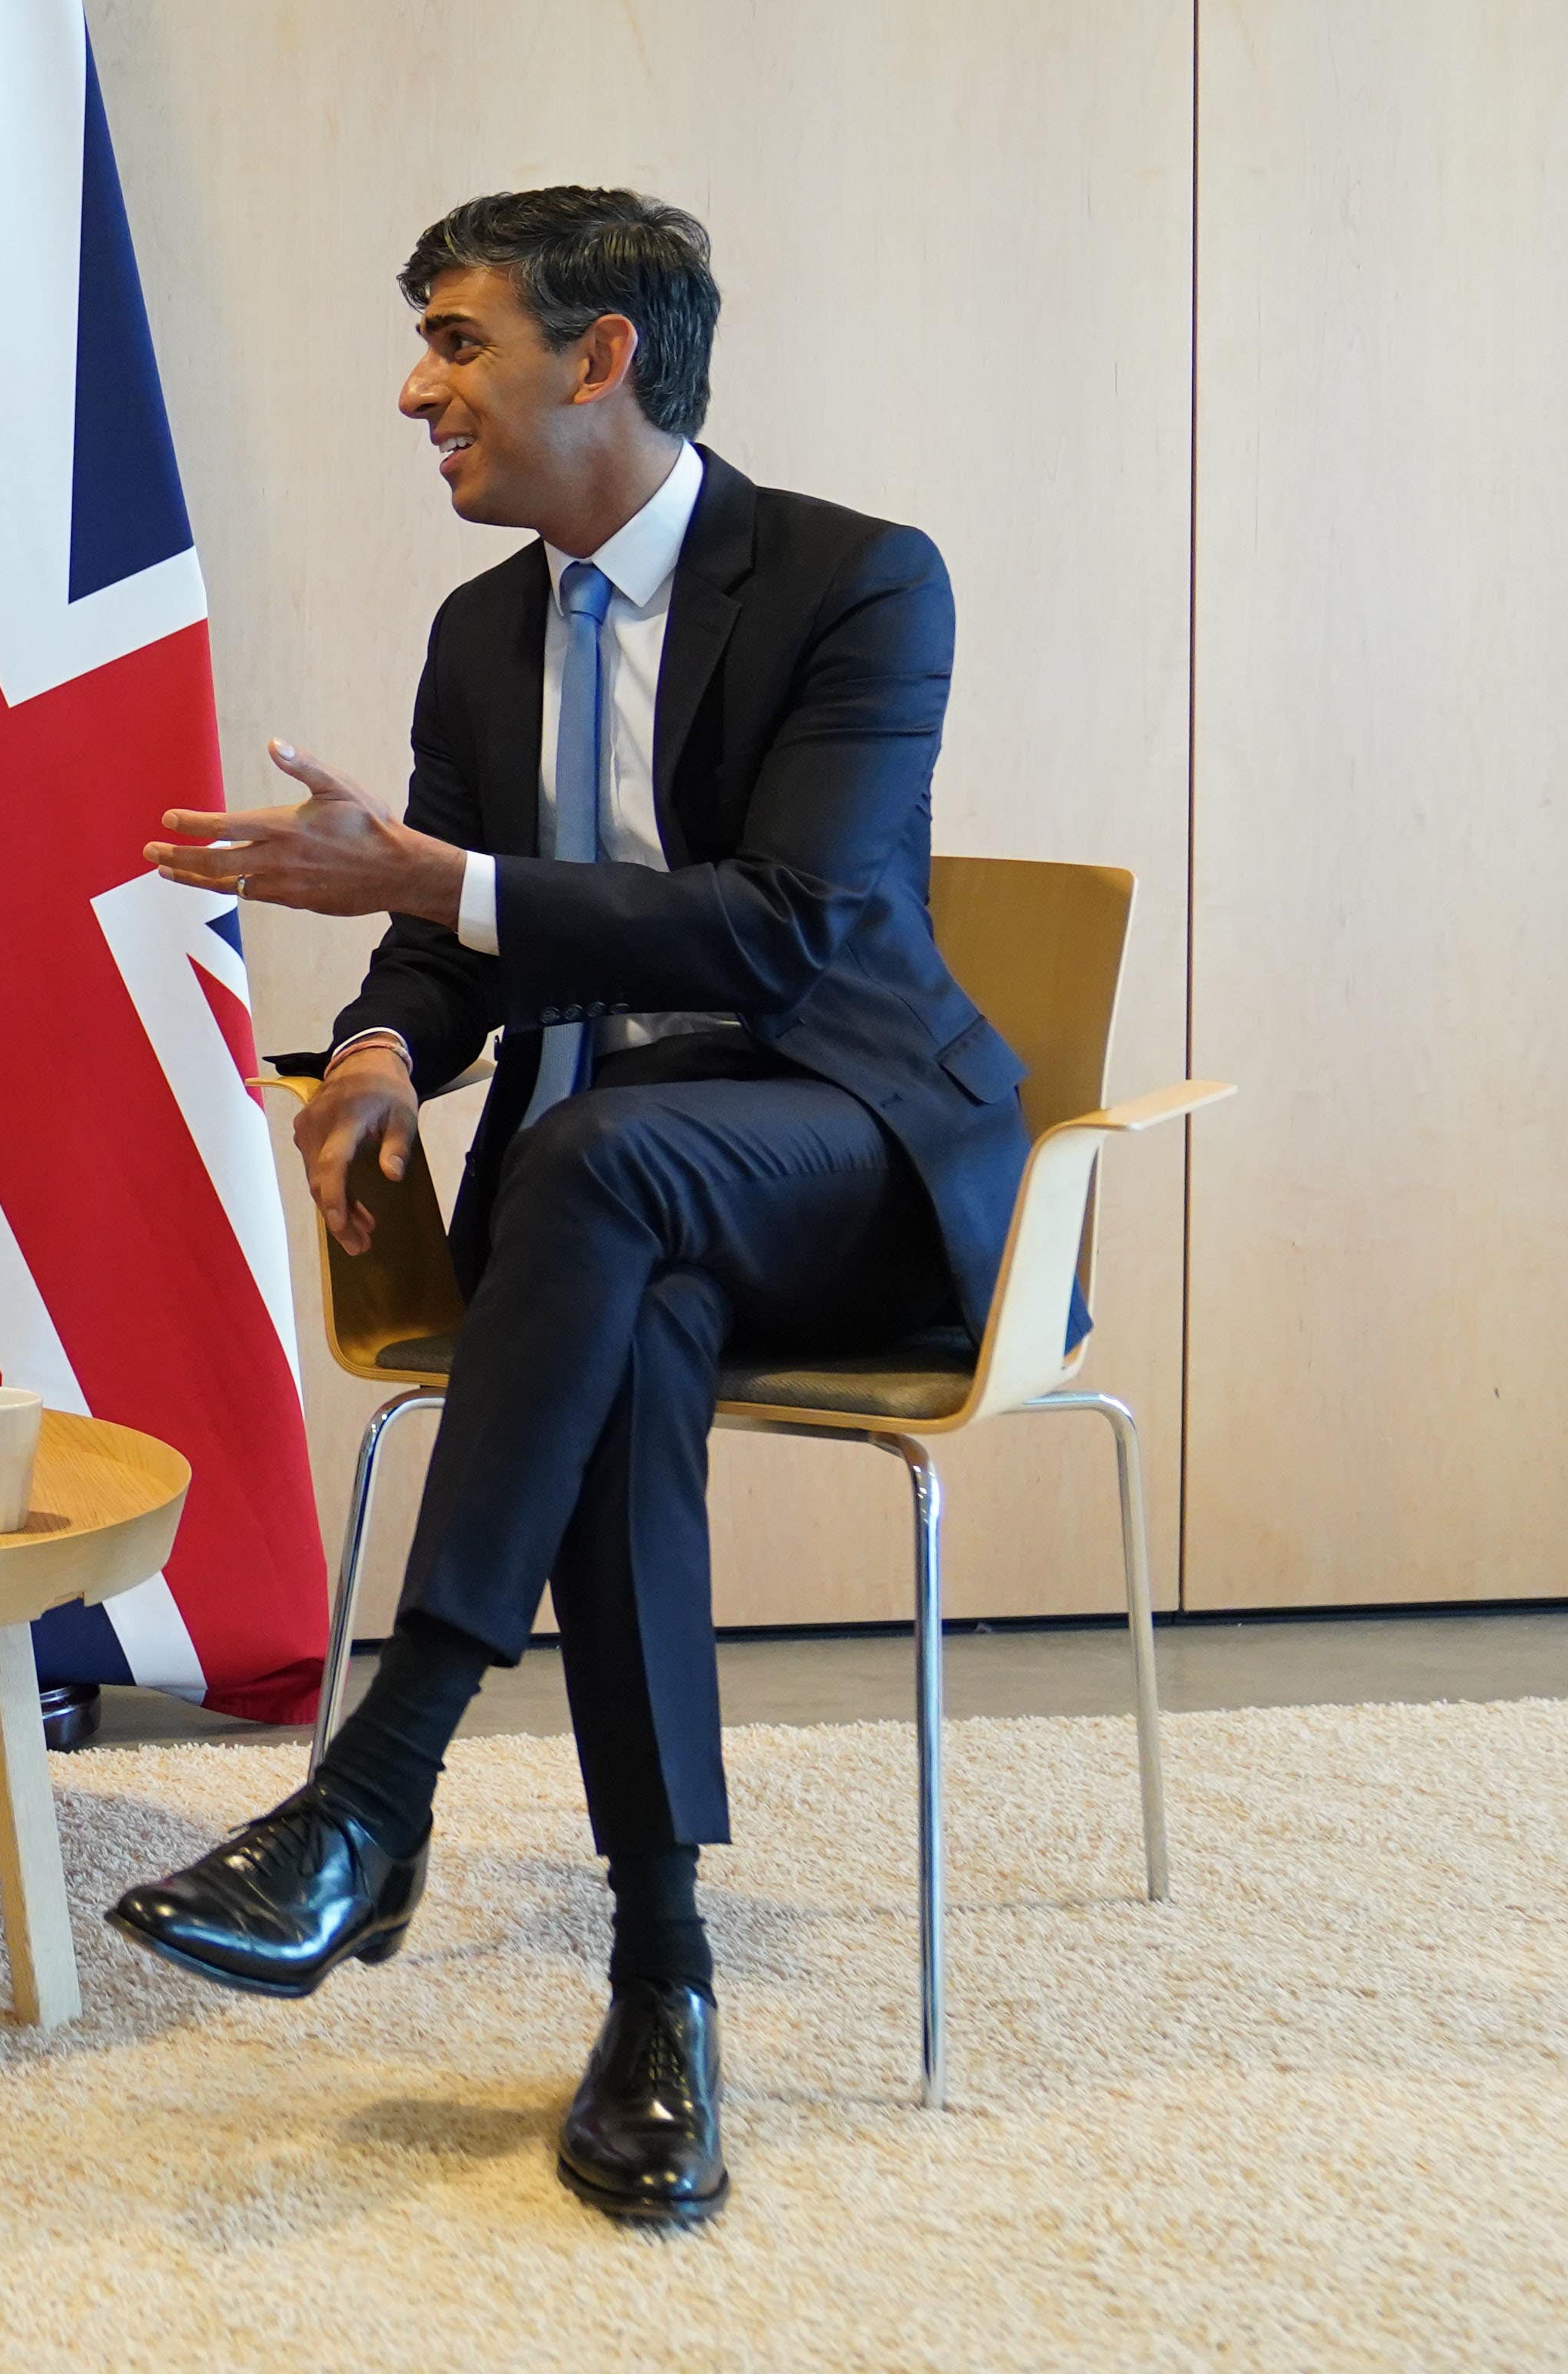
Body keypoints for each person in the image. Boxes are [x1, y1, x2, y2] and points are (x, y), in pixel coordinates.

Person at [107, 188, 1026, 2227]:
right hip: (622, 1202)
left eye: (456, 340)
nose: (416, 385)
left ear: (599, 360)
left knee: (598, 1177)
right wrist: (370, 1051)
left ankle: (381, 1781)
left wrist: (429, 885)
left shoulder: (864, 586)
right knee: (619, 1281)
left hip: (851, 1148)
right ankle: (663, 1986)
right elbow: (462, 965)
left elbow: (789, 933)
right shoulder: (483, 631)